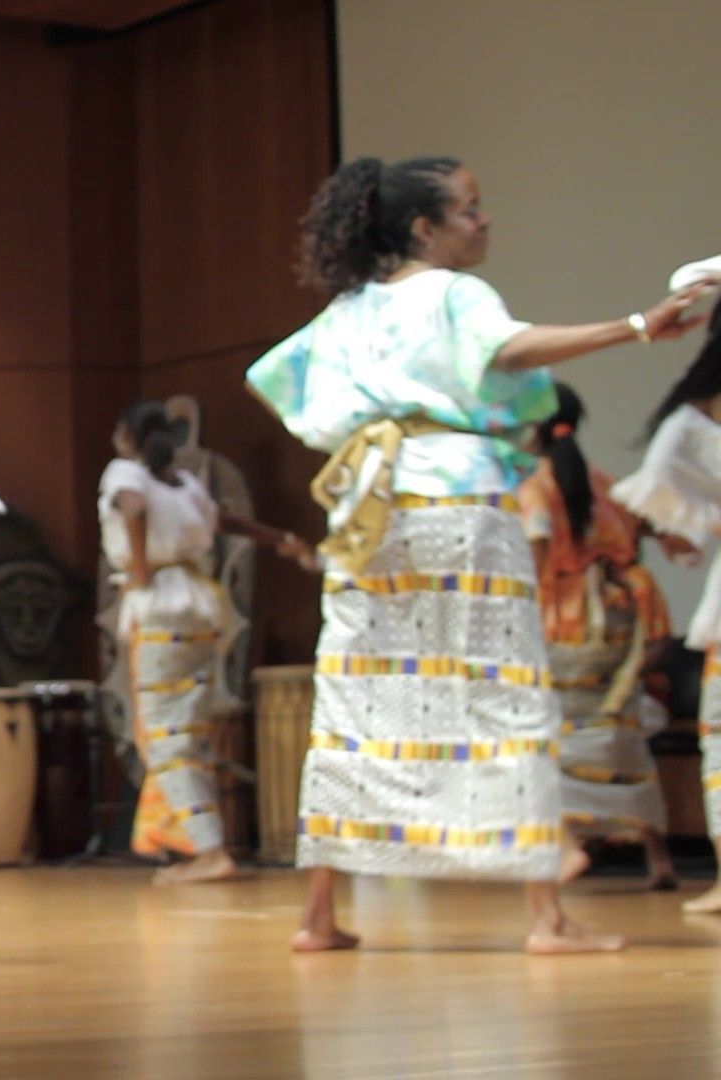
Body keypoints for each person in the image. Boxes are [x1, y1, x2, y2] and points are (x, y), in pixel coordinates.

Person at [246, 156, 710, 953]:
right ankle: (546, 917)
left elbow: (275, 377)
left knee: (355, 698)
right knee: (504, 690)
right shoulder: (456, 295)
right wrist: (636, 326)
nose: (484, 220)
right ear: (424, 228)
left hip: (371, 506)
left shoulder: (352, 307)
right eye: (470, 209)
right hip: (455, 498)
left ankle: (318, 916)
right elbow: (511, 349)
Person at [101, 400, 315, 884]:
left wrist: (137, 570)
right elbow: (226, 523)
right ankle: (194, 842)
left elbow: (131, 508)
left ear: (125, 435)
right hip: (198, 606)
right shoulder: (185, 483)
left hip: (159, 607)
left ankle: (209, 850)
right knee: (187, 732)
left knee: (166, 738)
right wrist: (280, 538)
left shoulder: (124, 473)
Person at [519, 384, 681, 889]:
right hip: (618, 622)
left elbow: (539, 553)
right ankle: (660, 859)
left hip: (565, 623)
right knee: (620, 731)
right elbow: (645, 527)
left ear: (533, 426)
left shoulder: (536, 486)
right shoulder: (600, 482)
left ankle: (566, 848)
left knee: (556, 740)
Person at [611, 316, 721, 913]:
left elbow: (659, 488)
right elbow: (661, 490)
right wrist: (691, 532)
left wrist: (690, 532)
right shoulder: (690, 425)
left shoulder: (690, 423)